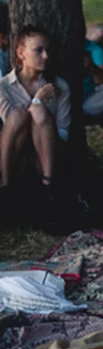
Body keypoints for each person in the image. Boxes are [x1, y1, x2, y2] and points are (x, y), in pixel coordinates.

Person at [0, 25, 70, 215]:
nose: (45, 56)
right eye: (38, 50)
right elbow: (11, 125)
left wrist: (39, 107)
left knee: (39, 112)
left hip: (47, 153)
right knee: (19, 115)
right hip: (15, 152)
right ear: (21, 53)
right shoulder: (4, 87)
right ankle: (4, 187)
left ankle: (49, 189)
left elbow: (64, 131)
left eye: (47, 50)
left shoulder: (59, 86)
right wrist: (38, 99)